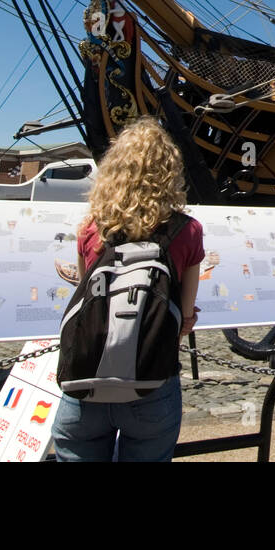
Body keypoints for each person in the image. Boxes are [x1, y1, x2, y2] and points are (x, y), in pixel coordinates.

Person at [51, 117, 203, 461]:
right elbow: (185, 317)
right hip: (151, 380)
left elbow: (85, 295)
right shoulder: (188, 231)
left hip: (85, 382)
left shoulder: (90, 229)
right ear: (170, 173)